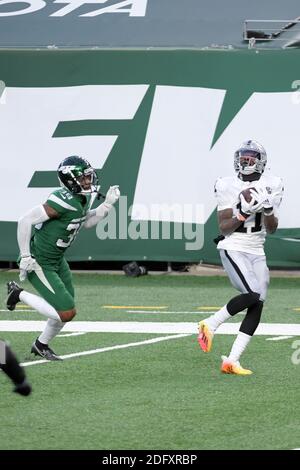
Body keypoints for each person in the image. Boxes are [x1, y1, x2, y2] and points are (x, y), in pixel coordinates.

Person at [6, 155, 120, 361]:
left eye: (88, 177)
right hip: (39, 262)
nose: (88, 181)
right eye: (83, 178)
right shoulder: (61, 199)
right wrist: (25, 255)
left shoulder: (81, 198)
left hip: (57, 260)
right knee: (66, 312)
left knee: (65, 307)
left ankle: (41, 345)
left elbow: (85, 222)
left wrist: (107, 206)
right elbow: (25, 220)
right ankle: (17, 293)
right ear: (70, 180)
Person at [197, 140, 284, 375]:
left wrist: (266, 210)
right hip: (234, 246)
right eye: (243, 158)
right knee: (253, 293)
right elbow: (224, 227)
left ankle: (232, 360)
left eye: (251, 158)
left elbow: (272, 228)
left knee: (258, 302)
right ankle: (210, 323)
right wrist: (244, 213)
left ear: (261, 162)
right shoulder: (227, 185)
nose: (246, 162)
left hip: (257, 248)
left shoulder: (273, 184)